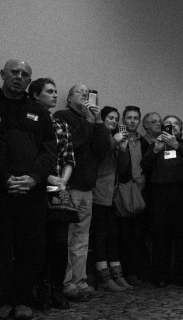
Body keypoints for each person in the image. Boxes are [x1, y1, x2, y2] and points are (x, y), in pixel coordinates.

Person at [0, 60, 57, 320]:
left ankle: (23, 298)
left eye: (25, 74)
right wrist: (5, 178)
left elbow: (49, 150)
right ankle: (3, 298)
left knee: (31, 246)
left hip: (31, 190)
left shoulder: (38, 111)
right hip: (3, 189)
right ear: (3, 75)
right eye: (14, 72)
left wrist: (34, 178)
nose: (19, 77)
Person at [54, 84, 112, 301]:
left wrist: (97, 121)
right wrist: (88, 121)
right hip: (68, 186)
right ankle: (66, 283)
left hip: (87, 188)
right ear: (69, 98)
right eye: (80, 92)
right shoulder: (63, 116)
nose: (85, 95)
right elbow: (73, 144)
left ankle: (80, 281)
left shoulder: (92, 121)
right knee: (66, 238)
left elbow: (101, 148)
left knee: (81, 239)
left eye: (88, 94)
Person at [28, 78, 75, 310]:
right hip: (36, 187)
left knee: (59, 241)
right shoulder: (30, 121)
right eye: (49, 91)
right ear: (36, 95)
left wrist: (62, 181)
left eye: (57, 91)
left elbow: (69, 157)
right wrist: (47, 178)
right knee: (40, 241)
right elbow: (29, 156)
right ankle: (42, 289)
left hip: (59, 188)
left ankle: (58, 288)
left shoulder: (61, 124)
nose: (55, 95)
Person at [141, 115, 183, 287]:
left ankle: (181, 275)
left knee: (182, 236)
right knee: (160, 236)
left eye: (176, 124)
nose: (173, 126)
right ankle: (160, 275)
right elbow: (145, 166)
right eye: (168, 124)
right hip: (159, 195)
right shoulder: (155, 145)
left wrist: (176, 146)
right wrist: (156, 150)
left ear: (180, 129)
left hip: (181, 194)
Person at [89, 106, 132, 292]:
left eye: (116, 119)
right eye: (110, 118)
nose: (114, 121)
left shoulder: (116, 140)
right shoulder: (100, 138)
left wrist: (122, 149)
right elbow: (98, 155)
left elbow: (123, 170)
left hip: (112, 196)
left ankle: (117, 274)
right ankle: (104, 277)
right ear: (102, 119)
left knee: (113, 236)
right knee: (100, 236)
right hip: (97, 194)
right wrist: (114, 142)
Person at [117, 106, 149, 287]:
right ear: (124, 119)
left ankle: (135, 271)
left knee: (138, 235)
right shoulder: (119, 139)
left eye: (136, 118)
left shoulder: (144, 142)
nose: (132, 121)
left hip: (141, 191)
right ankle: (125, 272)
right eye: (129, 118)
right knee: (125, 235)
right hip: (124, 191)